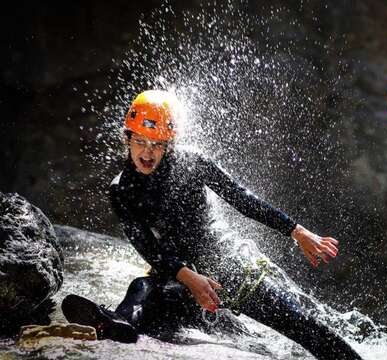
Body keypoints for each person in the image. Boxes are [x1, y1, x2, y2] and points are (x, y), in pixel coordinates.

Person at [62, 90, 362, 360]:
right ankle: (116, 324)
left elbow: (242, 198)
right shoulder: (121, 189)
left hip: (223, 266)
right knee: (143, 288)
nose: (147, 153)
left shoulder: (191, 163)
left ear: (169, 145)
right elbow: (146, 245)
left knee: (300, 324)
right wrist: (189, 279)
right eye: (139, 141)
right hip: (179, 277)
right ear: (127, 139)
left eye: (157, 145)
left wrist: (295, 230)